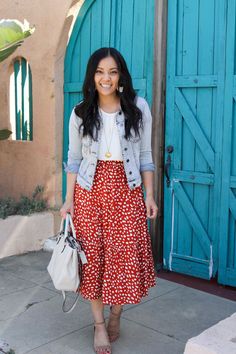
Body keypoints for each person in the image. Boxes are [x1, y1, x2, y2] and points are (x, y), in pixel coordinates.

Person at [60, 47, 158, 354]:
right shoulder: (80, 112)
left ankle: (116, 313)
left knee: (124, 259)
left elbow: (145, 155)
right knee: (94, 262)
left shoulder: (138, 107)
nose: (106, 78)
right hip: (89, 191)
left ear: (121, 76)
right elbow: (74, 159)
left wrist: (150, 195)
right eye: (100, 72)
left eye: (112, 72)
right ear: (92, 77)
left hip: (126, 191)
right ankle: (99, 325)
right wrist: (68, 200)